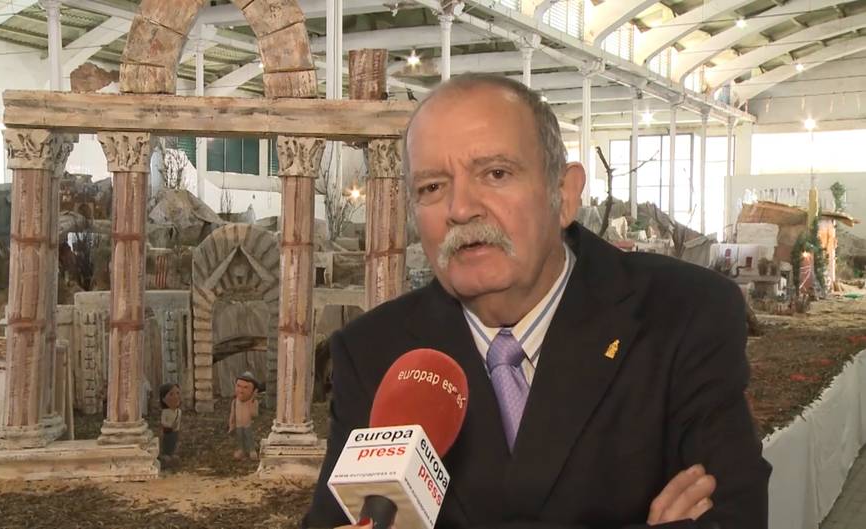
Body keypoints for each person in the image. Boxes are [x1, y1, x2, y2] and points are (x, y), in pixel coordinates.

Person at [302, 73, 770, 529]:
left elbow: (735, 514)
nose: (460, 209)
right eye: (432, 187)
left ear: (563, 195)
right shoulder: (373, 354)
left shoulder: (683, 314)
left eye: (496, 173)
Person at [228, 371, 261, 461]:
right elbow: (232, 414)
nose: (241, 391)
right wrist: (231, 424)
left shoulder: (253, 402)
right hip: (238, 425)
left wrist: (252, 402)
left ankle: (251, 450)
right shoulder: (235, 402)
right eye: (239, 386)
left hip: (248, 425)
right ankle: (241, 450)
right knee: (240, 438)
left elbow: (255, 415)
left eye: (246, 387)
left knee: (249, 437)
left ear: (253, 390)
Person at [158, 382, 182, 467]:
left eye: (177, 393)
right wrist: (169, 426)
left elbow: (178, 422)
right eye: (171, 394)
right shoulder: (165, 412)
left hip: (175, 432)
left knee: (174, 443)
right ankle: (166, 455)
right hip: (167, 432)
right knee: (167, 443)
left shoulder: (179, 412)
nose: (175, 397)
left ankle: (172, 454)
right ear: (164, 399)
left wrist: (177, 428)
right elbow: (163, 422)